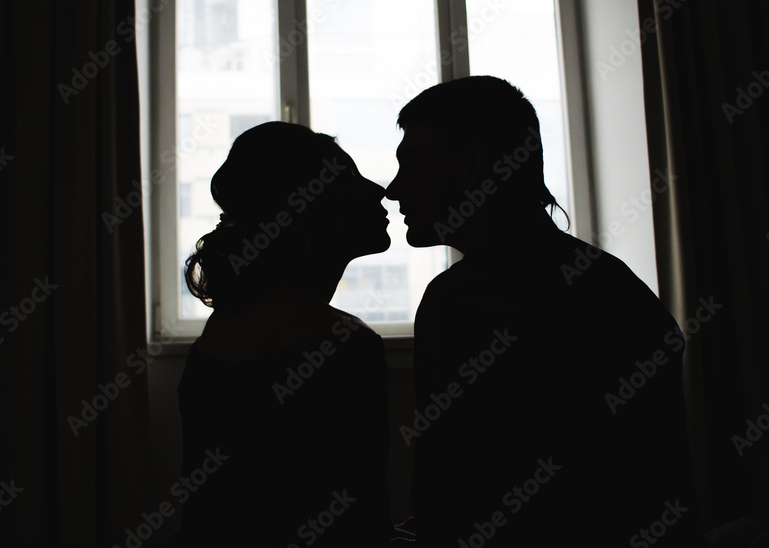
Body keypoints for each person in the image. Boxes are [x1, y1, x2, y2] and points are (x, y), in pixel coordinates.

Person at [385, 76, 707, 547]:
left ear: (472, 163)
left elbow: (452, 487)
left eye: (411, 165)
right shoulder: (616, 284)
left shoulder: (457, 301)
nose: (394, 190)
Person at [169, 121, 395, 547]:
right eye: (348, 177)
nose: (378, 190)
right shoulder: (345, 346)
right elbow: (358, 521)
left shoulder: (222, 331)